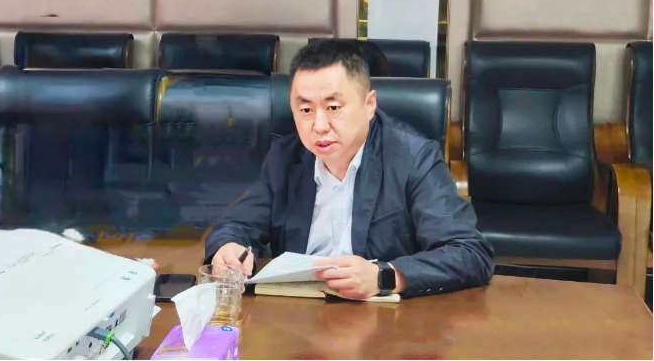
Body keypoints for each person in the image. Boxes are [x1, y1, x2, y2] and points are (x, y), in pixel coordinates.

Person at [205, 40, 494, 299]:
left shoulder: (412, 157)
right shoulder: (286, 156)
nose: (319, 126)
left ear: (369, 105)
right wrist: (228, 248)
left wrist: (385, 276)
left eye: (333, 107)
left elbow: (469, 253)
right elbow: (238, 224)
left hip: (383, 321)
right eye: (305, 110)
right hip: (297, 314)